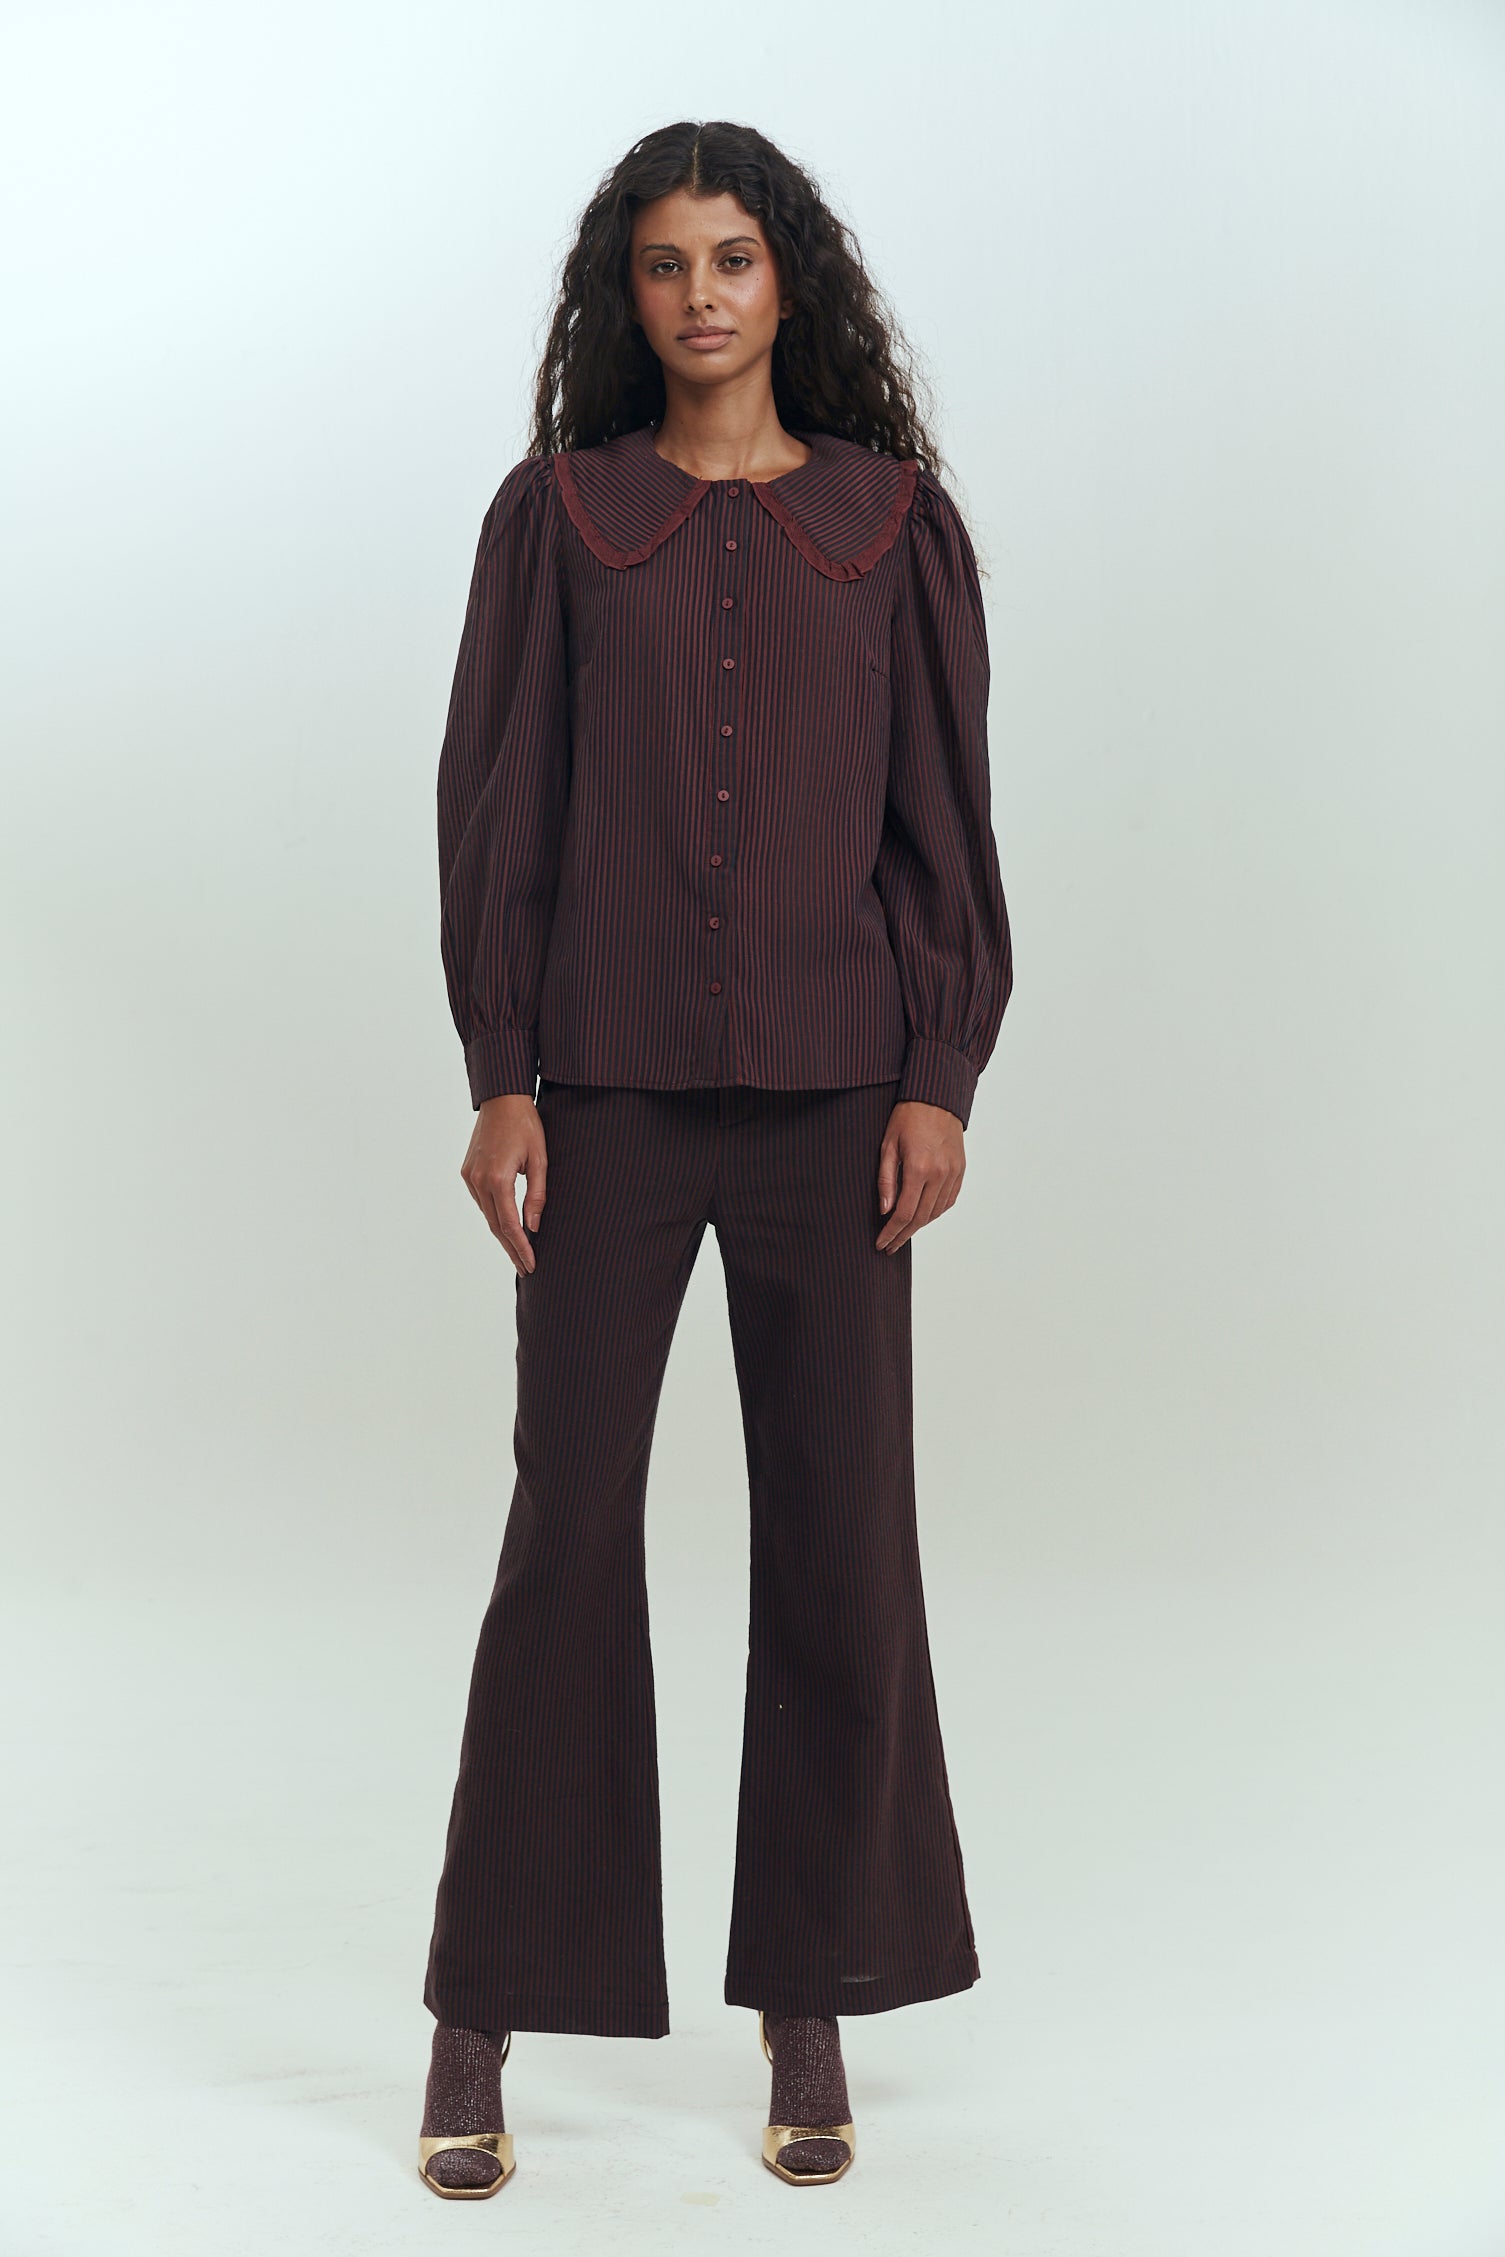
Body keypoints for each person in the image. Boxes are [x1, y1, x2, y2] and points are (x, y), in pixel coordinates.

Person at [415, 117, 1014, 2199]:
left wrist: (939, 1070)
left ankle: (811, 1993)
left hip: (842, 1102)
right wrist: (501, 1071)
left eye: (733, 259)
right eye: (665, 264)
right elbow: (498, 801)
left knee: (842, 1540)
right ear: (628, 291)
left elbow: (944, 820)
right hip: (604, 1095)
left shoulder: (892, 525)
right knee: (566, 1531)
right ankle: (481, 2005)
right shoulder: (559, 521)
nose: (700, 297)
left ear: (788, 281)